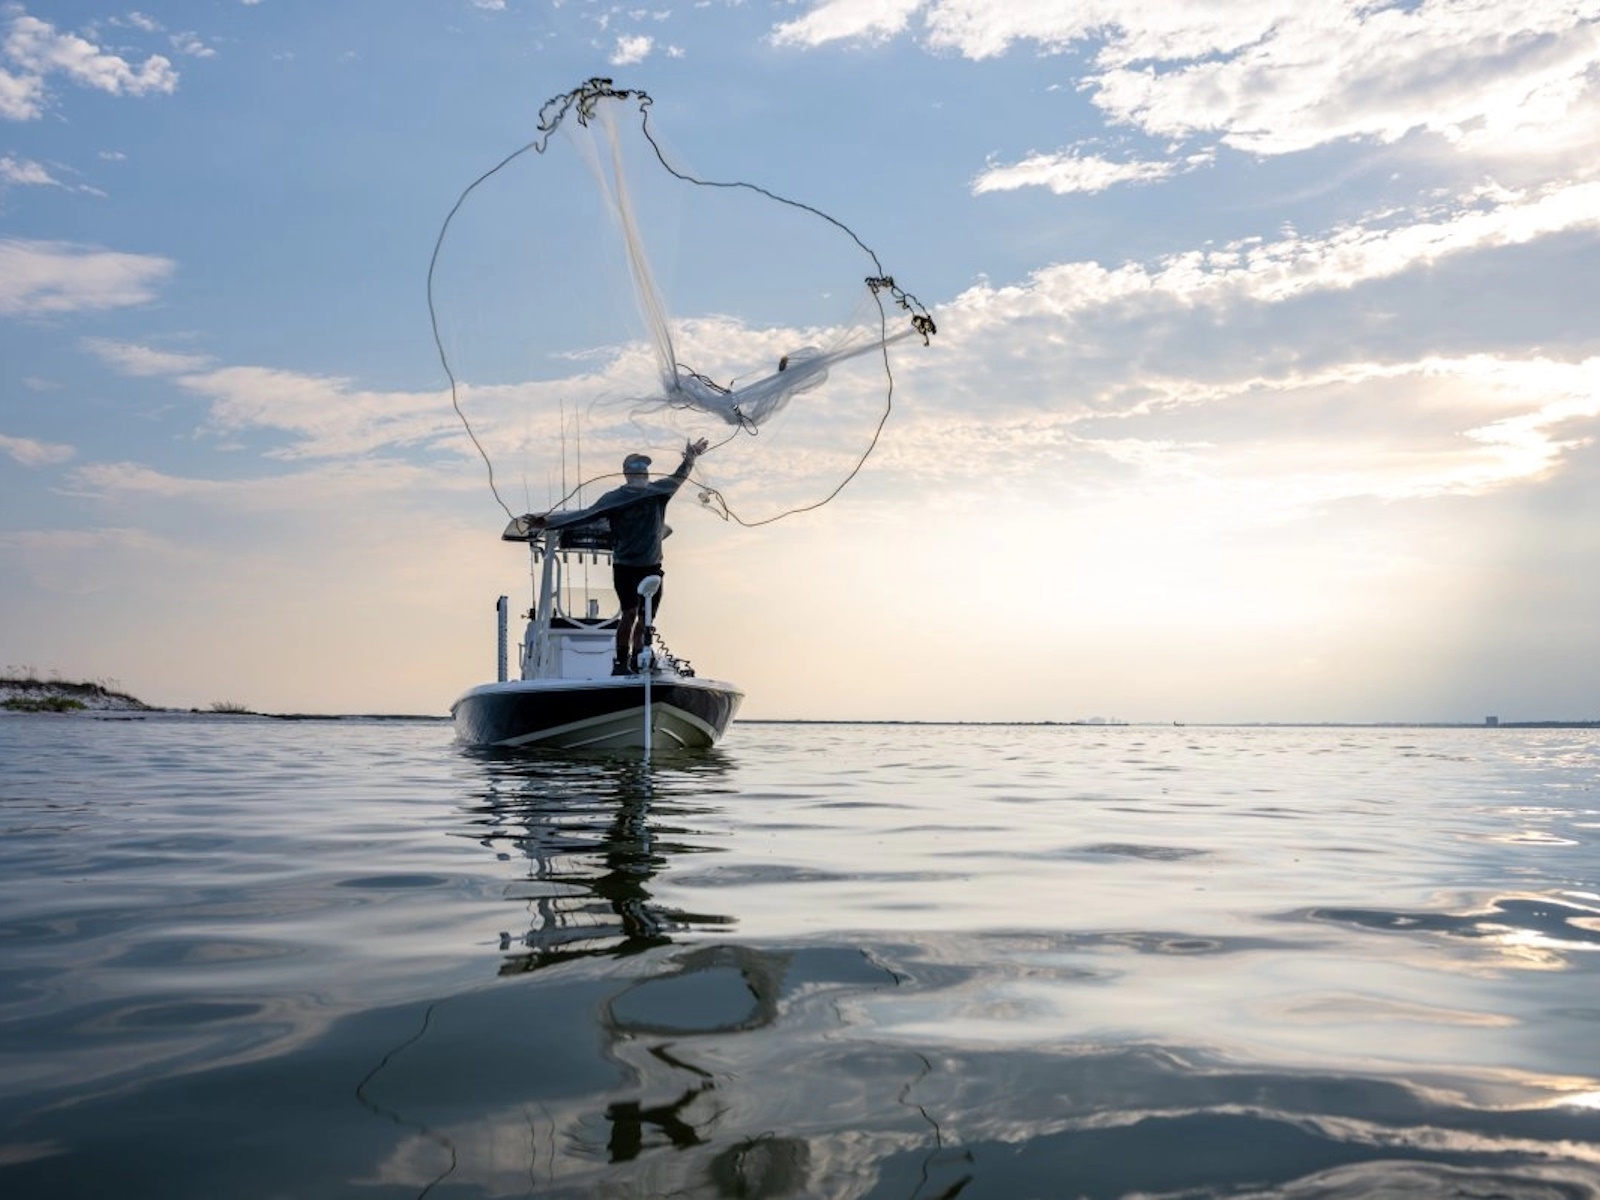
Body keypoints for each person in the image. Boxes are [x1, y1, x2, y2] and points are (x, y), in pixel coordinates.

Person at [527, 439, 709, 674]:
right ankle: (621, 662)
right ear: (626, 474)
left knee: (645, 619)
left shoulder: (659, 492)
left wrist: (691, 457)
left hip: (651, 566)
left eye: (644, 468)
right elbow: (584, 515)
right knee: (629, 613)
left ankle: (638, 659)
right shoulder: (613, 499)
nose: (642, 472)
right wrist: (547, 523)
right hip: (625, 567)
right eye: (636, 468)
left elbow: (679, 477)